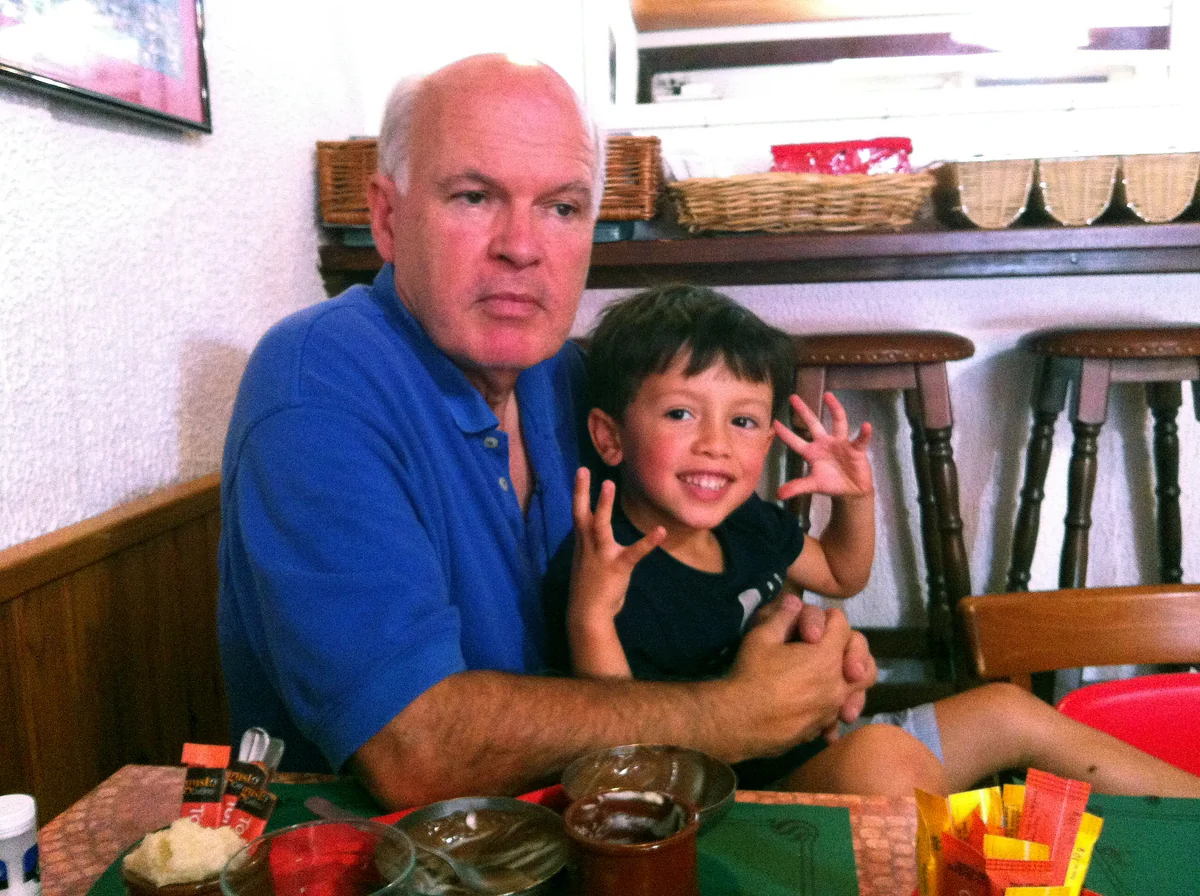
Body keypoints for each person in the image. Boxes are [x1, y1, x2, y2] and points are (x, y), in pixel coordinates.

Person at [217, 53, 881, 809]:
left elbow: (684, 584)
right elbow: (413, 751)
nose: (522, 246)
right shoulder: (318, 385)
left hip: (593, 822)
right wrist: (736, 713)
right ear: (387, 218)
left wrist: (795, 654)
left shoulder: (564, 376)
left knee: (886, 779)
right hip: (373, 850)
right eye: (474, 197)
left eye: (562, 208)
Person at [545, 283, 1200, 798]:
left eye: (743, 421)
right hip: (735, 803)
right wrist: (591, 615)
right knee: (882, 761)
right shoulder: (607, 561)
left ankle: (1186, 809)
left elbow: (840, 573)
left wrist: (853, 500)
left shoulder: (745, 523)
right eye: (681, 413)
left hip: (820, 753)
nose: (715, 443)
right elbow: (619, 755)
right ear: (610, 437)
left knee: (1008, 708)